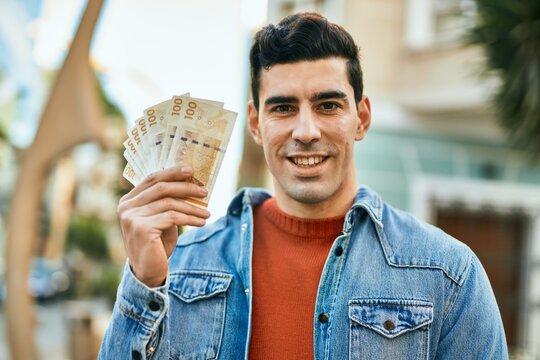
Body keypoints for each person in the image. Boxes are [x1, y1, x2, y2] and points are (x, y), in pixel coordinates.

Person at [99, 12, 508, 360]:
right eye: (283, 108)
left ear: (361, 118)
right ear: (257, 123)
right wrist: (144, 284)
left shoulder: (449, 275)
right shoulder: (178, 267)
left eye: (328, 105)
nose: (306, 131)